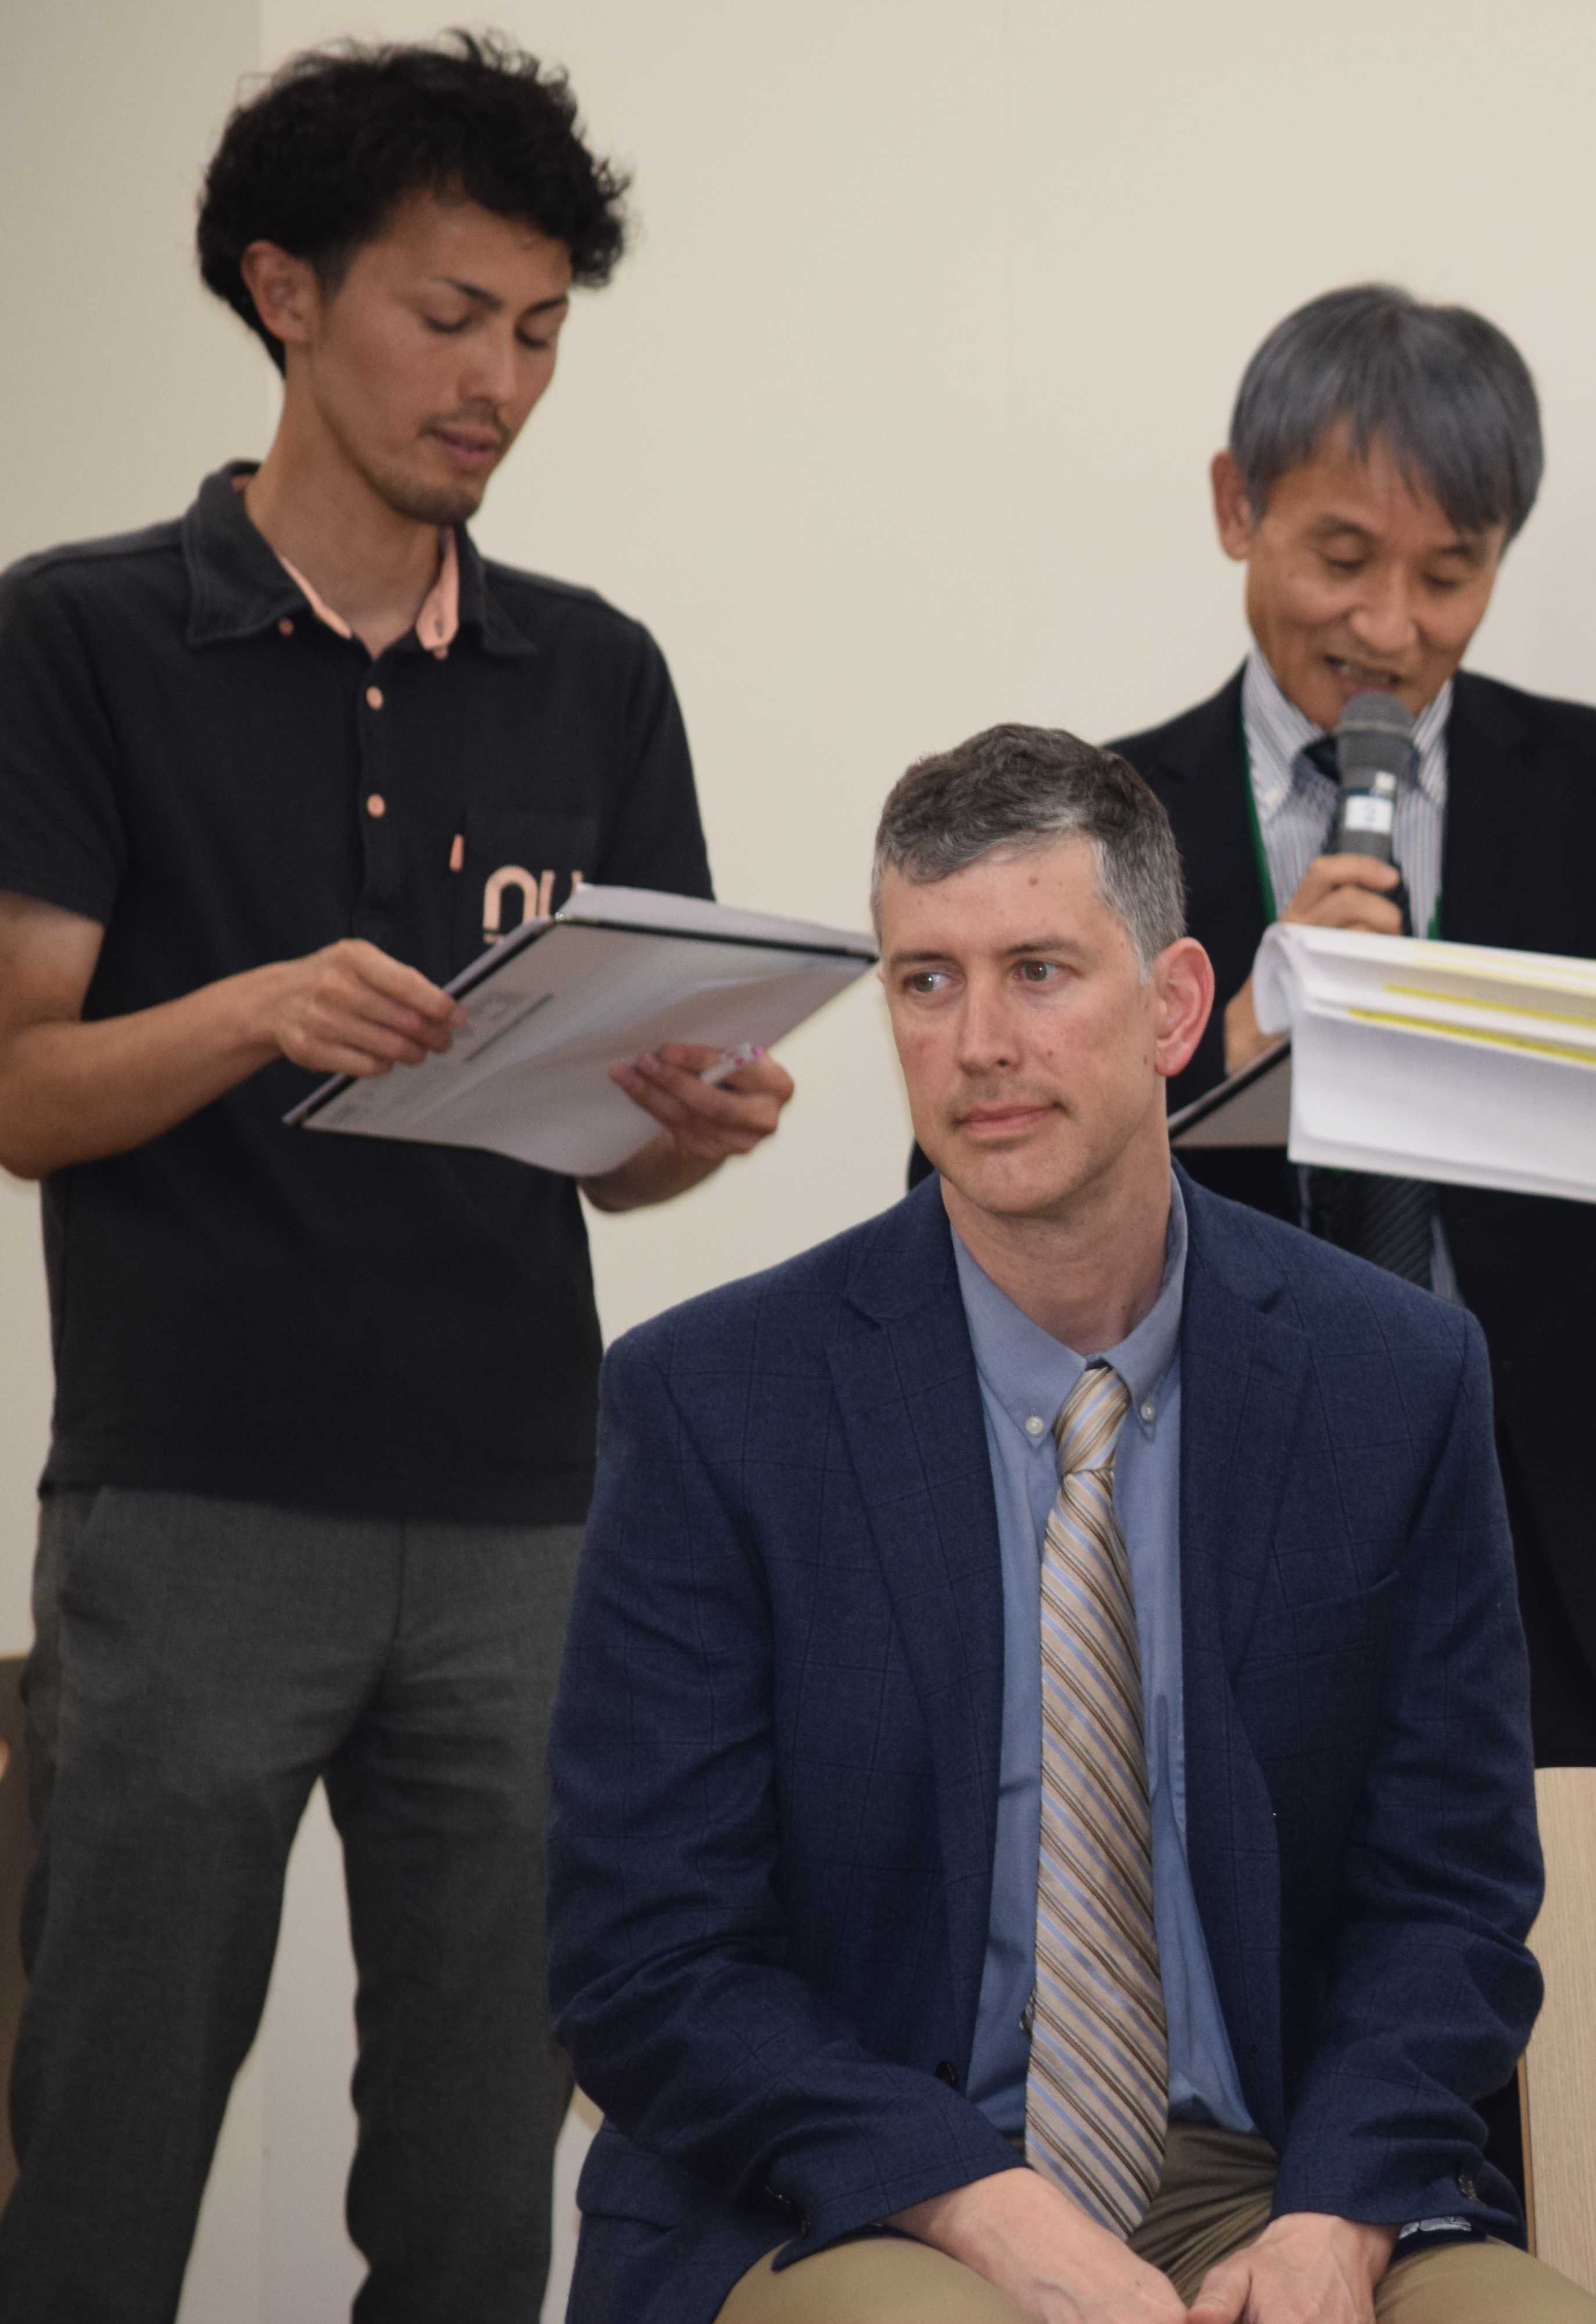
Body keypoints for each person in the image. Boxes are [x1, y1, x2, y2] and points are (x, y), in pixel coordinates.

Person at [0, 37, 791, 2322]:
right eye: (451, 317)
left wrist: (683, 1121)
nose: (499, 383)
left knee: (476, 2188)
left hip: (527, 1523)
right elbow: (20, 1090)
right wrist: (253, 1008)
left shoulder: (595, 674)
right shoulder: (78, 636)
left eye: (538, 331)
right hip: (190, 1512)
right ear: (286, 291)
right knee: (106, 2158)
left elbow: (614, 1172)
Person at [550, 725, 1596, 2324]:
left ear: (1177, 1008)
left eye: (1039, 972)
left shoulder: (1392, 1380)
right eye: (926, 982)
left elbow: (1450, 1901)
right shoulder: (718, 1404)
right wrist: (976, 2206)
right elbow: (647, 1958)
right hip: (857, 2180)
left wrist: (1338, 2218)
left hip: (1271, 2174)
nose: (978, 1043)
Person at [1103, 284, 1596, 1770]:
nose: (1391, 627)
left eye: (1450, 574)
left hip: (1558, 1543)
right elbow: (973, 1188)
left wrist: (1572, 1053)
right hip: (1212, 1513)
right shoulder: (1104, 818)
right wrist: (1229, 1049)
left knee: (1577, 1925)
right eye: (1343, 558)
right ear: (1237, 506)